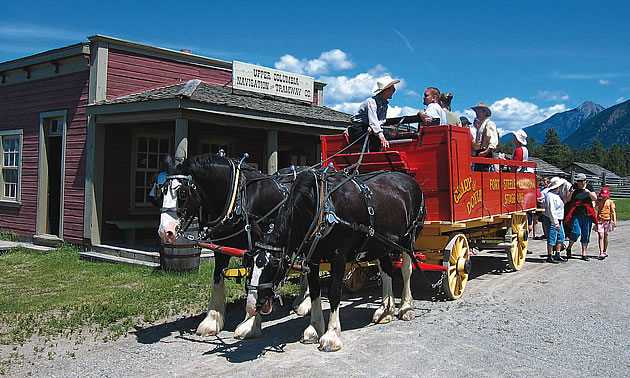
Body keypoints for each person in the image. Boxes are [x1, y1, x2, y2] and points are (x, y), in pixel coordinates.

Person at [348, 78, 399, 152]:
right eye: (392, 89)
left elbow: (381, 121)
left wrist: (374, 128)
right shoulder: (371, 102)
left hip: (370, 126)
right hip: (359, 127)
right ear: (386, 90)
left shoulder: (385, 105)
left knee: (385, 133)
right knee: (377, 136)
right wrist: (381, 137)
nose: (394, 91)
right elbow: (373, 119)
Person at [564, 173, 598, 260]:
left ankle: (584, 253)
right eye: (578, 181)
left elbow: (594, 198)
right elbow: (567, 200)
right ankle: (569, 247)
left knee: (586, 233)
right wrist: (571, 193)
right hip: (576, 214)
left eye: (581, 181)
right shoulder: (574, 187)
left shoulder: (589, 187)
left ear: (585, 181)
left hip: (587, 214)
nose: (580, 183)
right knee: (576, 232)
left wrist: (588, 192)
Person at [543, 177, 568, 263]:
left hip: (558, 218)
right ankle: (549, 255)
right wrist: (555, 223)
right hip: (552, 219)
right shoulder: (550, 196)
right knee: (552, 237)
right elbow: (551, 210)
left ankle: (557, 254)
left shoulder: (556, 195)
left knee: (561, 236)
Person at [471, 103, 498, 171]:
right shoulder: (481, 124)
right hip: (479, 153)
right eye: (476, 112)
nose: (477, 113)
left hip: (485, 153)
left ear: (484, 112)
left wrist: (485, 152)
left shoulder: (489, 124)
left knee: (484, 175)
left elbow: (493, 141)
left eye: (479, 111)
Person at [593, 187, 616, 259]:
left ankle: (604, 250)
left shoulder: (610, 202)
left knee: (605, 236)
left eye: (605, 196)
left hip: (607, 221)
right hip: (600, 221)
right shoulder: (599, 201)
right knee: (601, 235)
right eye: (603, 196)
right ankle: (601, 252)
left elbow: (613, 211)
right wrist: (595, 198)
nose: (604, 197)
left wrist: (615, 221)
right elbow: (593, 206)